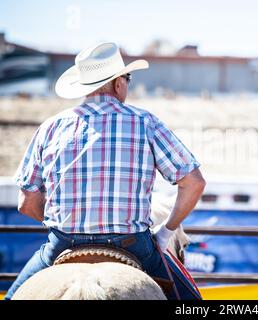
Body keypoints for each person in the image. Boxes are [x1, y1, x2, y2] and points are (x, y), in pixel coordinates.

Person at [5, 42, 206, 300]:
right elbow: (194, 182)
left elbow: (26, 202)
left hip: (62, 243)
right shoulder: (146, 122)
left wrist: (66, 221)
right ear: (118, 83)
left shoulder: (51, 127)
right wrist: (166, 232)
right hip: (133, 244)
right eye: (128, 78)